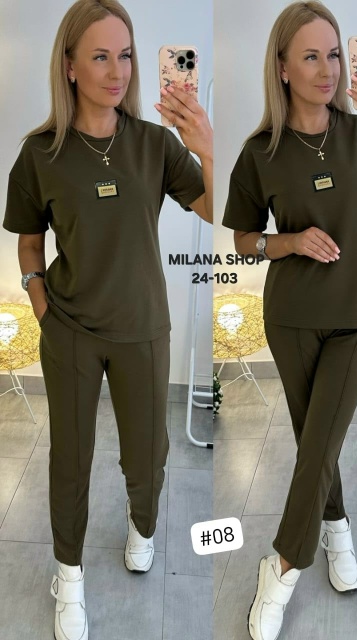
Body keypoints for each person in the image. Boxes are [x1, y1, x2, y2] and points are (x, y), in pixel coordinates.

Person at [1, 1, 213, 639]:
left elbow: (220, 210)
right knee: (70, 459)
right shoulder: (40, 154)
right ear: (69, 66)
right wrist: (40, 302)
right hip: (69, 329)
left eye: (125, 55)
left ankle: (142, 526)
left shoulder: (154, 144)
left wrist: (203, 143)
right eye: (100, 56)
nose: (118, 70)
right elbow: (29, 241)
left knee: (147, 456)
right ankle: (68, 573)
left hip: (143, 327)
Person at [221, 2, 357, 639]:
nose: (327, 68)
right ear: (282, 67)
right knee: (318, 442)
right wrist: (290, 241)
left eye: (334, 54)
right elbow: (242, 240)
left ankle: (281, 567)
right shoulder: (260, 152)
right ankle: (336, 528)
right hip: (291, 319)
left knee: (319, 442)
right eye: (310, 56)